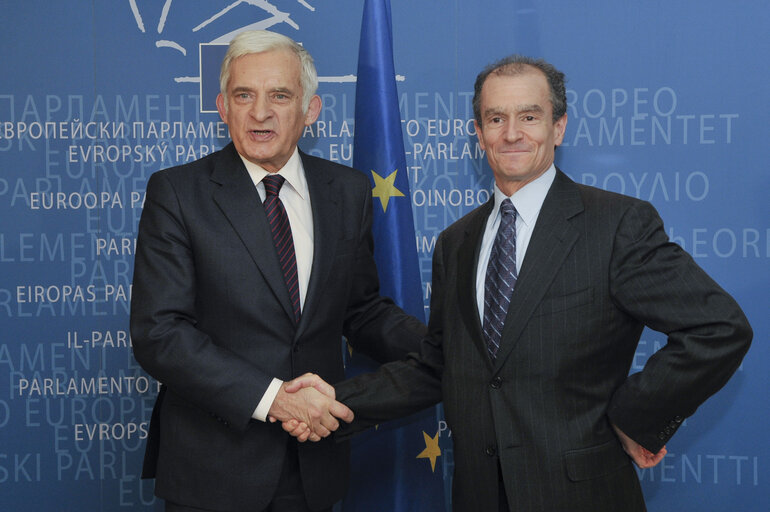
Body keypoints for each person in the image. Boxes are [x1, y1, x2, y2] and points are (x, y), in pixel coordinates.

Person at [283, 55, 753, 511]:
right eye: (495, 119)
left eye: (529, 116)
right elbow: (438, 367)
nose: (511, 134)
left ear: (559, 126)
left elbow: (718, 328)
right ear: (478, 133)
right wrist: (335, 402)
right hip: (480, 495)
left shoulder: (616, 225)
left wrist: (633, 418)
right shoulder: (456, 242)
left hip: (582, 497)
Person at [129, 30, 425, 512]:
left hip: (315, 466)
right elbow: (159, 332)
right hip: (215, 471)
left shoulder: (346, 191)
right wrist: (275, 399)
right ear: (223, 106)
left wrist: (444, 349)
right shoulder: (178, 193)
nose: (259, 112)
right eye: (244, 95)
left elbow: (362, 310)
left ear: (311, 110)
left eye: (279, 96)